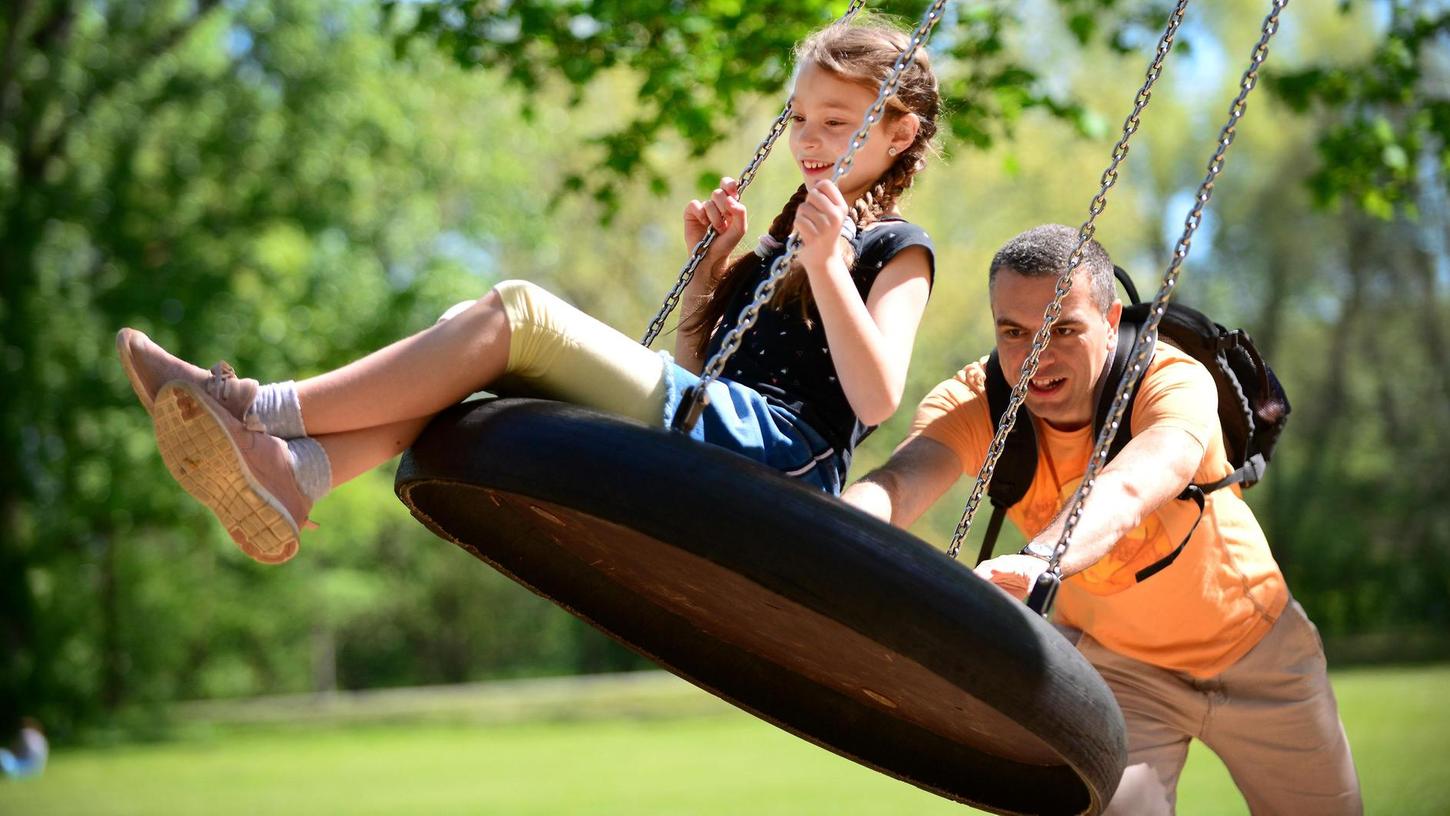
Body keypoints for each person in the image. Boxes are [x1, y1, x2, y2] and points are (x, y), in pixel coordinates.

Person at [117, 18, 940, 565]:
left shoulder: (895, 250)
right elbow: (705, 374)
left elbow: (877, 396)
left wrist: (830, 268)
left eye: (837, 122)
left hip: (789, 467)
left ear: (897, 133)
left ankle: (258, 411)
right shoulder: (789, 232)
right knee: (459, 339)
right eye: (798, 119)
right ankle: (302, 474)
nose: (808, 140)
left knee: (517, 314)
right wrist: (709, 271)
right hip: (725, 432)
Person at [843, 224, 1362, 815]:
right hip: (1120, 674)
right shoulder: (979, 403)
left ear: (1111, 320)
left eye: (1062, 328)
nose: (1037, 356)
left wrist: (1040, 558)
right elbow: (899, 483)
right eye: (1014, 332)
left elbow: (1135, 482)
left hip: (1258, 655)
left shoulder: (1169, 378)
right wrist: (831, 536)